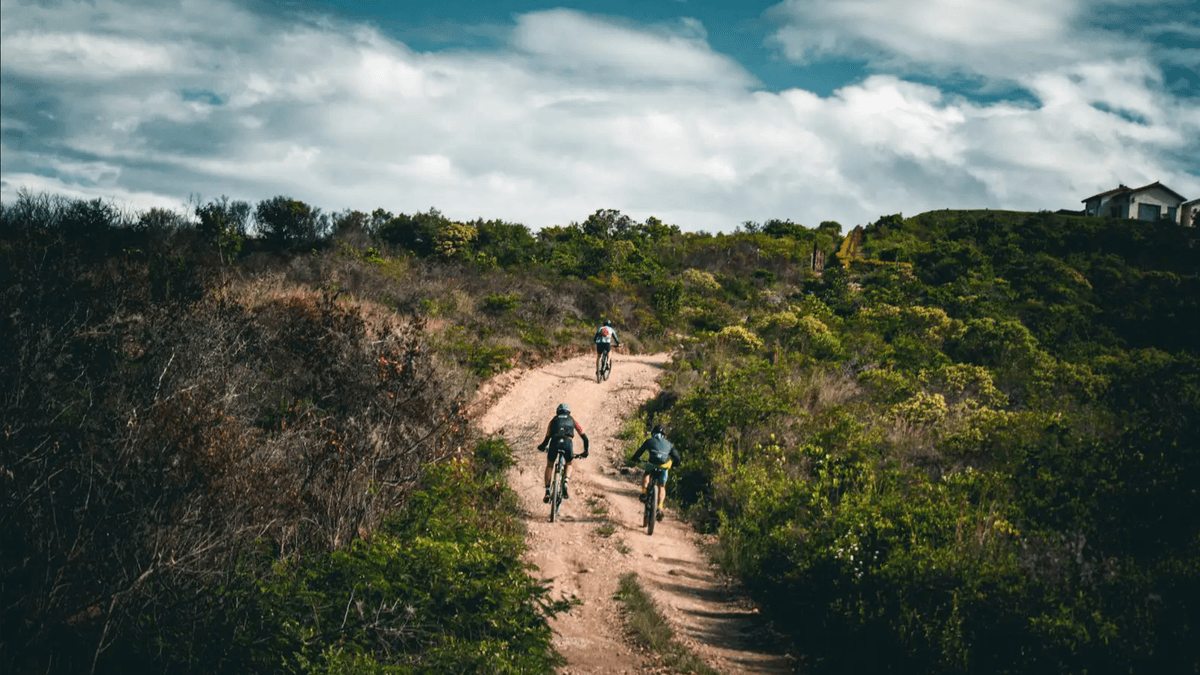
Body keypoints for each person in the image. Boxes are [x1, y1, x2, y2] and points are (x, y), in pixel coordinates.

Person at [537, 403, 589, 503]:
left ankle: (547, 491)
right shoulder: (572, 420)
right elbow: (584, 436)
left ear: (558, 412)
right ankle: (565, 483)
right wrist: (586, 451)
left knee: (550, 465)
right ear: (568, 412)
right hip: (567, 443)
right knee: (569, 463)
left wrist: (542, 447)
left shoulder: (553, 420)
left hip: (554, 443)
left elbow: (547, 438)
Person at [630, 425, 680, 521]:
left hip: (652, 463)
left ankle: (644, 492)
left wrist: (635, 458)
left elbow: (639, 452)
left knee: (647, 474)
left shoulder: (649, 441)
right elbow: (677, 457)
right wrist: (675, 464)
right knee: (662, 486)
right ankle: (660, 507)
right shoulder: (669, 444)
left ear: (653, 434)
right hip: (664, 466)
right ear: (664, 435)